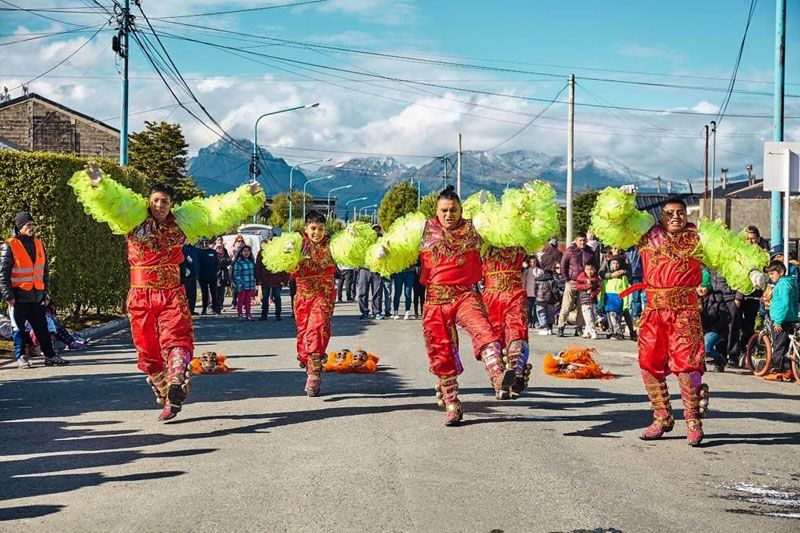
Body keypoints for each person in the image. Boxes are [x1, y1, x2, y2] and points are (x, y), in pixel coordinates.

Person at [69, 162, 264, 421]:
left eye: (166, 202)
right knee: (147, 352)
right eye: (157, 200)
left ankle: (176, 381)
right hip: (141, 296)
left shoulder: (183, 222)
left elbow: (216, 210)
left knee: (177, 338)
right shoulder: (132, 217)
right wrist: (97, 182)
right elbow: (112, 200)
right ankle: (169, 395)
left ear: (172, 205)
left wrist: (244, 196)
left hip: (172, 292)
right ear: (148, 201)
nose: (161, 206)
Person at [592, 188, 767, 446]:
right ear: (661, 217)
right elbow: (613, 222)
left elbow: (729, 252)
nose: (676, 217)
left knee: (687, 365)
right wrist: (622, 199)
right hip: (654, 311)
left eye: (681, 213)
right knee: (649, 363)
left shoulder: (698, 238)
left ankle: (693, 421)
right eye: (670, 213)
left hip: (685, 312)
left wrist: (751, 270)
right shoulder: (646, 232)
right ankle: (661, 417)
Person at [0, 211, 69, 368]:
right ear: (19, 227)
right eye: (28, 225)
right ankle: (21, 356)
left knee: (42, 328)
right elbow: (3, 274)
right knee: (18, 328)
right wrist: (8, 296)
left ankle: (50, 356)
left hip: (36, 295)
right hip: (18, 296)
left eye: (33, 225)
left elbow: (44, 271)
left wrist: (45, 293)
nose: (32, 228)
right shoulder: (9, 245)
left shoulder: (39, 244)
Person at [292, 211, 337, 396]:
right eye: (313, 229)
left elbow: (351, 255)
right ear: (306, 229)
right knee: (304, 336)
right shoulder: (298, 245)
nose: (316, 233)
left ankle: (314, 375)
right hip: (303, 297)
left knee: (317, 329)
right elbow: (286, 267)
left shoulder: (333, 246)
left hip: (324, 295)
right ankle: (308, 360)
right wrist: (287, 255)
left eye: (320, 229)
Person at [482, 245, 531, 398]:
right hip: (491, 296)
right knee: (492, 338)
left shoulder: (522, 234)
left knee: (517, 332)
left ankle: (516, 375)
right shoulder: (482, 232)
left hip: (514, 294)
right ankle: (500, 380)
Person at [557, 232, 597, 337]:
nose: (582, 242)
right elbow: (563, 265)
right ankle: (561, 327)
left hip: (585, 282)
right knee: (566, 305)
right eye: (580, 240)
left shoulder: (590, 252)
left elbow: (595, 266)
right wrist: (566, 279)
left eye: (584, 240)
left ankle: (579, 328)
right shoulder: (570, 250)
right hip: (572, 281)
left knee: (582, 306)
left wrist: (593, 280)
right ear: (576, 241)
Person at [766, 260, 798, 378]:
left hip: (782, 320)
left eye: (772, 273)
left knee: (779, 344)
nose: (770, 276)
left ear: (781, 272)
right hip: (791, 317)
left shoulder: (782, 285)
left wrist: (778, 321)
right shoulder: (790, 282)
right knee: (787, 345)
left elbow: (784, 304)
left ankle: (777, 371)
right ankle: (789, 370)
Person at [698, 271, 730, 373]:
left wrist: (713, 328)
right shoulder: (694, 298)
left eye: (703, 286)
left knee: (706, 346)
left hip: (717, 329)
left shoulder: (718, 297)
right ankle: (700, 364)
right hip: (701, 329)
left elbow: (726, 317)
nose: (700, 289)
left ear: (708, 286)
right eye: (698, 286)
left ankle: (720, 359)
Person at [255, 245, 289, 321]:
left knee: (277, 297)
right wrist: (258, 278)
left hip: (277, 278)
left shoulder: (280, 252)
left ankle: (278, 314)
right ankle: (264, 315)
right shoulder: (262, 252)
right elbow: (258, 266)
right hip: (265, 278)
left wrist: (284, 280)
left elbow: (285, 267)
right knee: (265, 297)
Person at [601, 257, 630, 340]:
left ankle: (618, 332)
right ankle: (611, 331)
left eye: (617, 263)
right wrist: (601, 301)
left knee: (616, 317)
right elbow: (603, 290)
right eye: (613, 263)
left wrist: (626, 304)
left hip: (618, 299)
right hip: (608, 298)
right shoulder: (607, 277)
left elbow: (626, 290)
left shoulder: (623, 277)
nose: (615, 265)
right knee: (609, 316)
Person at [575, 263, 601, 339]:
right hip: (584, 300)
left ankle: (586, 332)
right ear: (585, 270)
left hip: (593, 300)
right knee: (588, 317)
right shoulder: (581, 277)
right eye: (588, 269)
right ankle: (593, 331)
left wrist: (594, 292)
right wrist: (587, 285)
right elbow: (578, 286)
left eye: (591, 269)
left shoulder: (596, 278)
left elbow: (599, 287)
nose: (590, 271)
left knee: (593, 316)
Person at [232, 245, 256, 321]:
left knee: (248, 301)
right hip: (242, 285)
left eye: (248, 251)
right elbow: (236, 274)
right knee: (240, 301)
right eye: (244, 251)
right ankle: (240, 315)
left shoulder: (251, 261)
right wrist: (239, 284)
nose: (246, 253)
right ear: (241, 252)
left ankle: (248, 315)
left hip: (250, 284)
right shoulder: (238, 262)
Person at [196, 238, 219, 315]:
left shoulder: (213, 252)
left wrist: (215, 272)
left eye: (206, 243)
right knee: (204, 293)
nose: (205, 245)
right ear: (201, 244)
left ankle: (215, 308)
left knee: (214, 292)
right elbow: (197, 264)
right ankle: (204, 308)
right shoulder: (198, 252)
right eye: (203, 243)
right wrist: (198, 274)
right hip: (202, 276)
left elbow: (217, 263)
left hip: (212, 275)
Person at [534, 268, 558, 334]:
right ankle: (550, 328)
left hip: (540, 299)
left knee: (541, 313)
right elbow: (555, 291)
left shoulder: (537, 280)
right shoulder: (552, 280)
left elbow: (535, 291)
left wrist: (537, 296)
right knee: (550, 313)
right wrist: (557, 299)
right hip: (550, 299)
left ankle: (544, 328)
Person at [523, 255, 543, 328]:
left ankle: (535, 321)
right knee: (528, 309)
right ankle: (529, 321)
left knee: (536, 309)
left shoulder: (540, 271)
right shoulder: (526, 271)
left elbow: (542, 282)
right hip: (528, 292)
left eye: (534, 262)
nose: (533, 263)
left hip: (537, 293)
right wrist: (523, 290)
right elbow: (524, 281)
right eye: (531, 262)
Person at [181, 242, 199, 314]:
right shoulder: (183, 248)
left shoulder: (194, 248)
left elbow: (196, 261)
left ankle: (191, 309)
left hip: (193, 274)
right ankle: (185, 310)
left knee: (193, 293)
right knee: (186, 293)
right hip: (186, 275)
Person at [229, 234, 246, 310]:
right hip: (234, 268)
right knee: (234, 287)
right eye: (238, 241)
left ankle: (244, 302)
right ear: (235, 241)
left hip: (244, 269)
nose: (240, 242)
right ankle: (234, 302)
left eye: (242, 241)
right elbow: (228, 259)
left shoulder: (246, 249)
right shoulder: (232, 249)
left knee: (244, 286)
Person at [214, 244, 231, 314]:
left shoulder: (225, 255)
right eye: (218, 248)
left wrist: (224, 261)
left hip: (224, 276)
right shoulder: (214, 256)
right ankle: (216, 307)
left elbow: (229, 262)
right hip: (216, 275)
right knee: (216, 292)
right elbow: (218, 264)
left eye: (221, 248)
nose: (220, 249)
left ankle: (220, 306)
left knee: (222, 292)